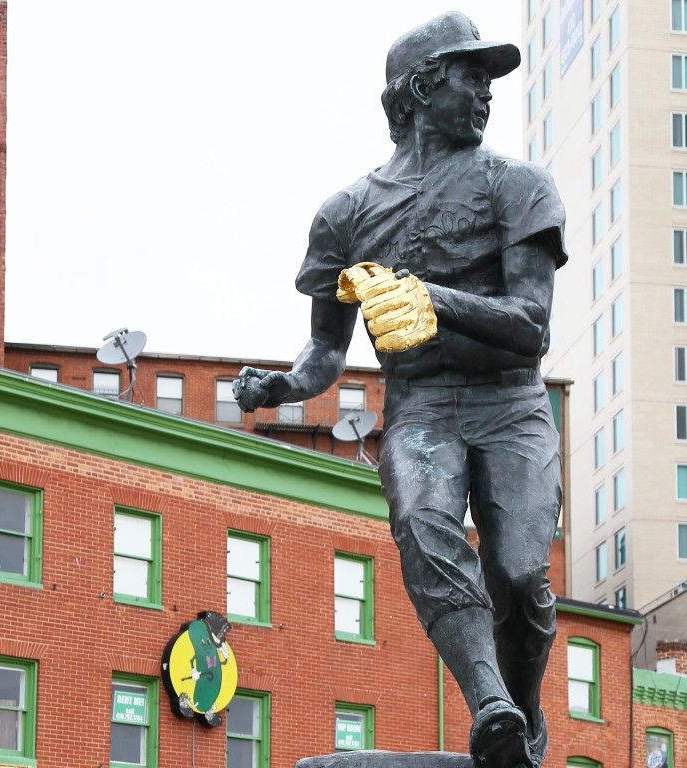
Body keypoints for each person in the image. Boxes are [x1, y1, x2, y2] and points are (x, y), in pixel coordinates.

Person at [232, 11, 566, 768]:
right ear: (420, 87)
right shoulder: (345, 214)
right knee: (423, 522)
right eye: (471, 75)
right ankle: (492, 710)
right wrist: (283, 385)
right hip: (420, 408)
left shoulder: (517, 186)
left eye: (490, 79)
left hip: (510, 404)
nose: (487, 93)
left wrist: (433, 298)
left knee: (519, 571)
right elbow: (326, 348)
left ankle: (522, 716)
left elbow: (532, 325)